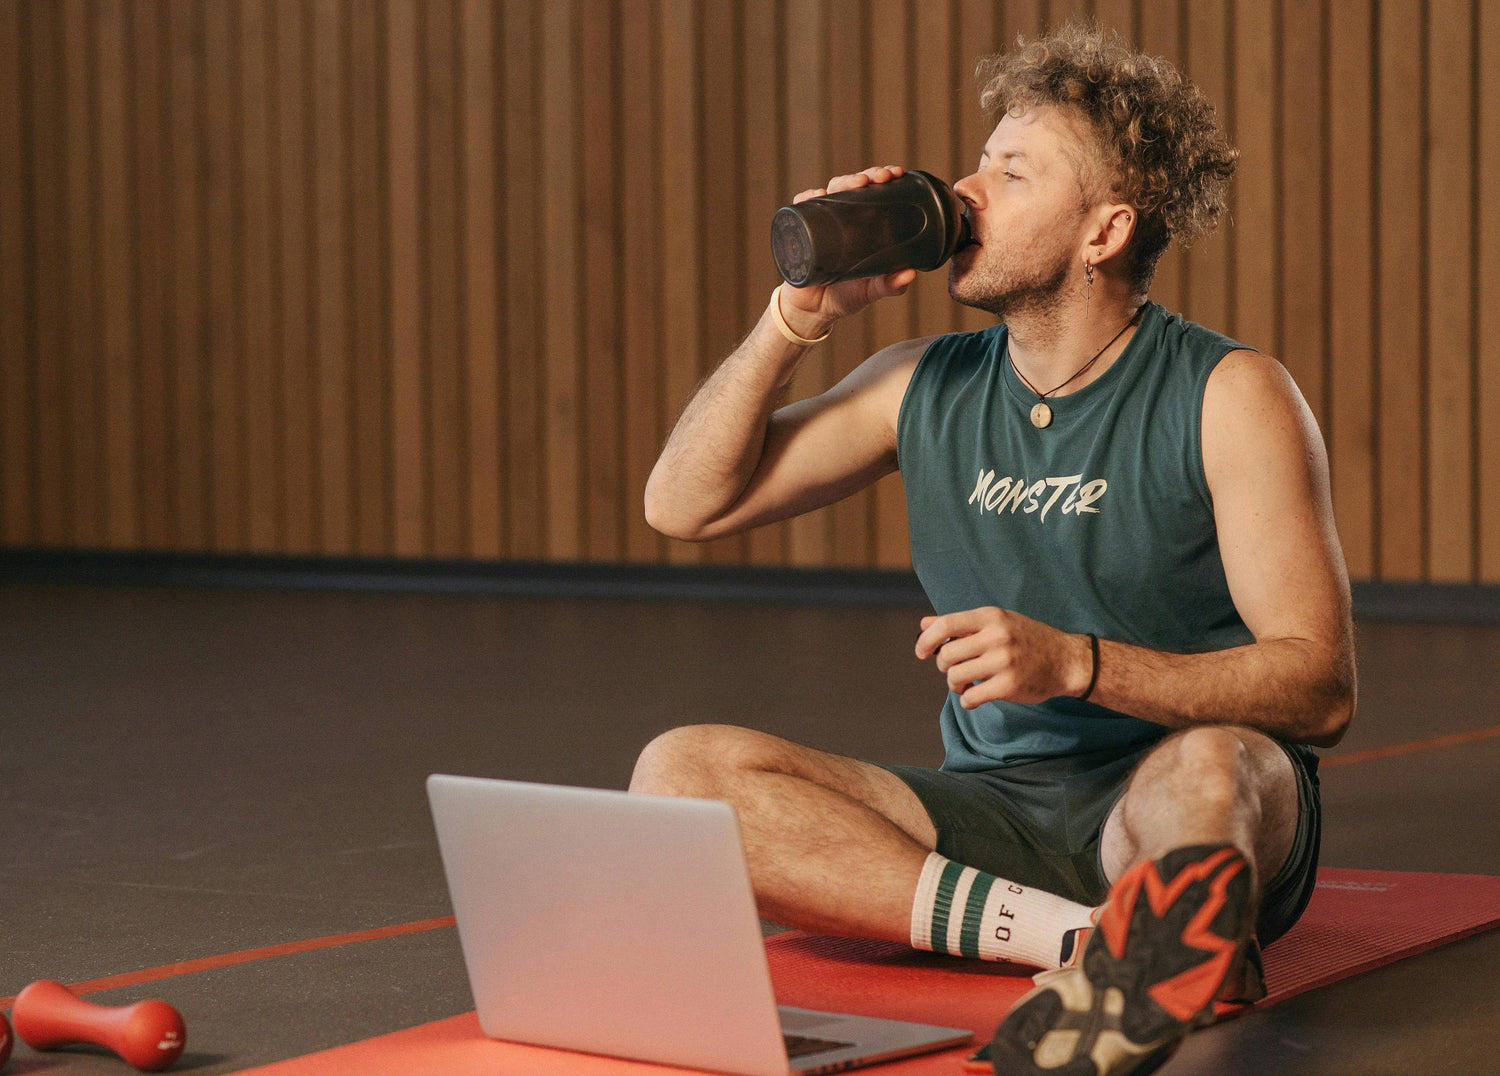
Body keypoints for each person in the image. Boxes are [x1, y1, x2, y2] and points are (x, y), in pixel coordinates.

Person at [634, 22, 1355, 1076]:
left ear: (1103, 232)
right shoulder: (920, 381)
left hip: (1182, 790)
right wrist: (797, 316)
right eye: (978, 161)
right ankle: (1085, 944)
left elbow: (1320, 688)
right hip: (996, 806)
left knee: (1209, 766)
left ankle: (1167, 914)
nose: (965, 191)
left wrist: (1079, 663)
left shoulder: (1229, 394)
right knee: (678, 774)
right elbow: (681, 504)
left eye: (1011, 174)